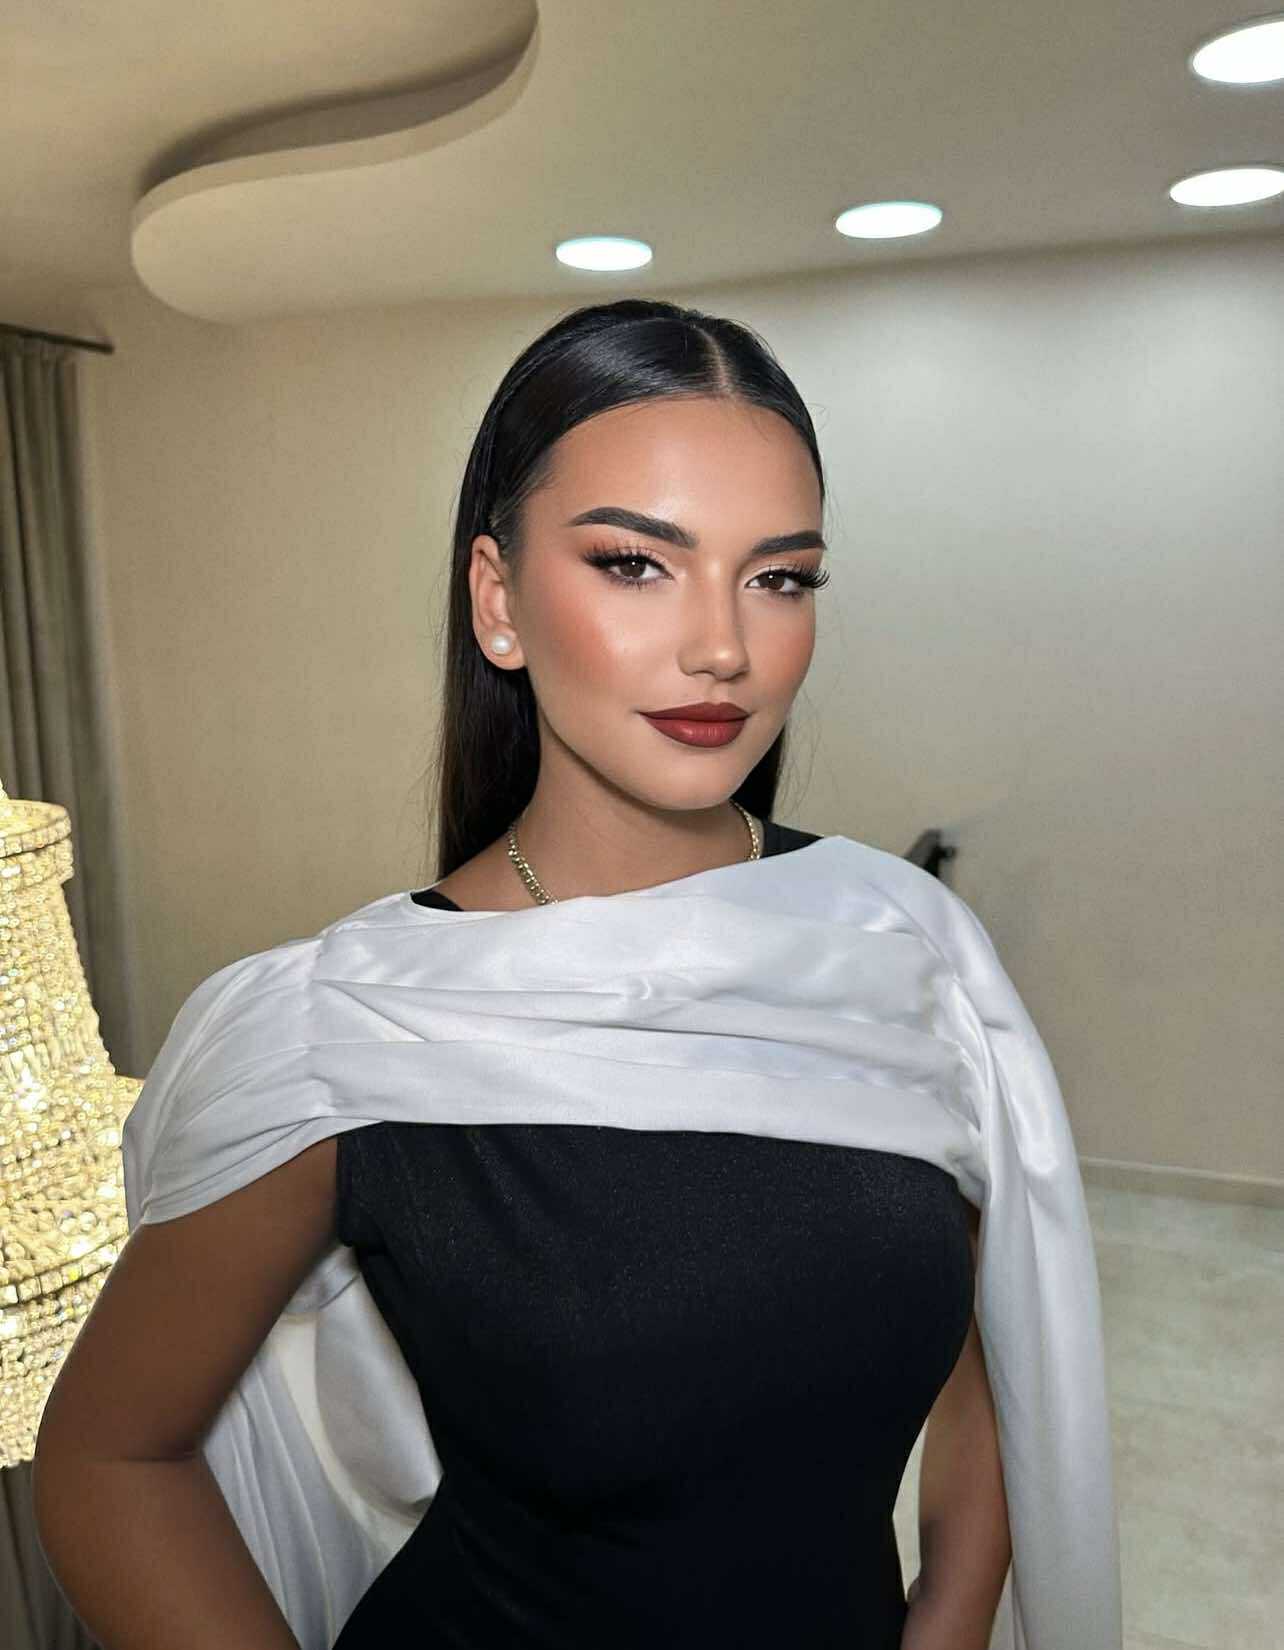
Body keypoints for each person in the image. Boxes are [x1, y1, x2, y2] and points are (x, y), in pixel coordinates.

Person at [32, 299, 1121, 1650]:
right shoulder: (347, 1027)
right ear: (498, 600)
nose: (723, 645)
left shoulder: (900, 954)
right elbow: (110, 1455)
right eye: (635, 564)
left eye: (780, 578)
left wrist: (947, 1621)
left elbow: (995, 1349)